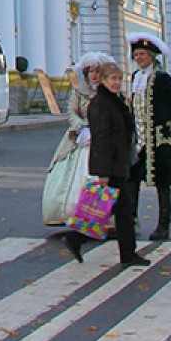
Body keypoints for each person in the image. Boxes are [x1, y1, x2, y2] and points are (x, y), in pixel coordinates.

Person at [61, 61, 149, 267]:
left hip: (119, 162)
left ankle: (78, 239)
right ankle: (126, 253)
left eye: (119, 79)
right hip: (111, 164)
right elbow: (101, 139)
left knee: (112, 209)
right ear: (103, 80)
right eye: (112, 79)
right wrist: (102, 172)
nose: (116, 83)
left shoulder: (114, 100)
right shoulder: (101, 104)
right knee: (117, 210)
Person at [129, 35, 171, 242]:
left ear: (152, 55)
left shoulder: (162, 78)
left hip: (158, 139)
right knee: (132, 180)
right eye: (136, 55)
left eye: (142, 54)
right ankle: (131, 220)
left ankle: (163, 224)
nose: (138, 58)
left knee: (163, 183)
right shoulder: (135, 77)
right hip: (138, 140)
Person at [42, 54, 111, 228]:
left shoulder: (108, 91)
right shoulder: (79, 91)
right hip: (81, 137)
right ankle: (71, 213)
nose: (94, 75)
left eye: (97, 72)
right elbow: (71, 112)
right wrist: (81, 127)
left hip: (102, 137)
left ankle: (101, 216)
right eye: (91, 71)